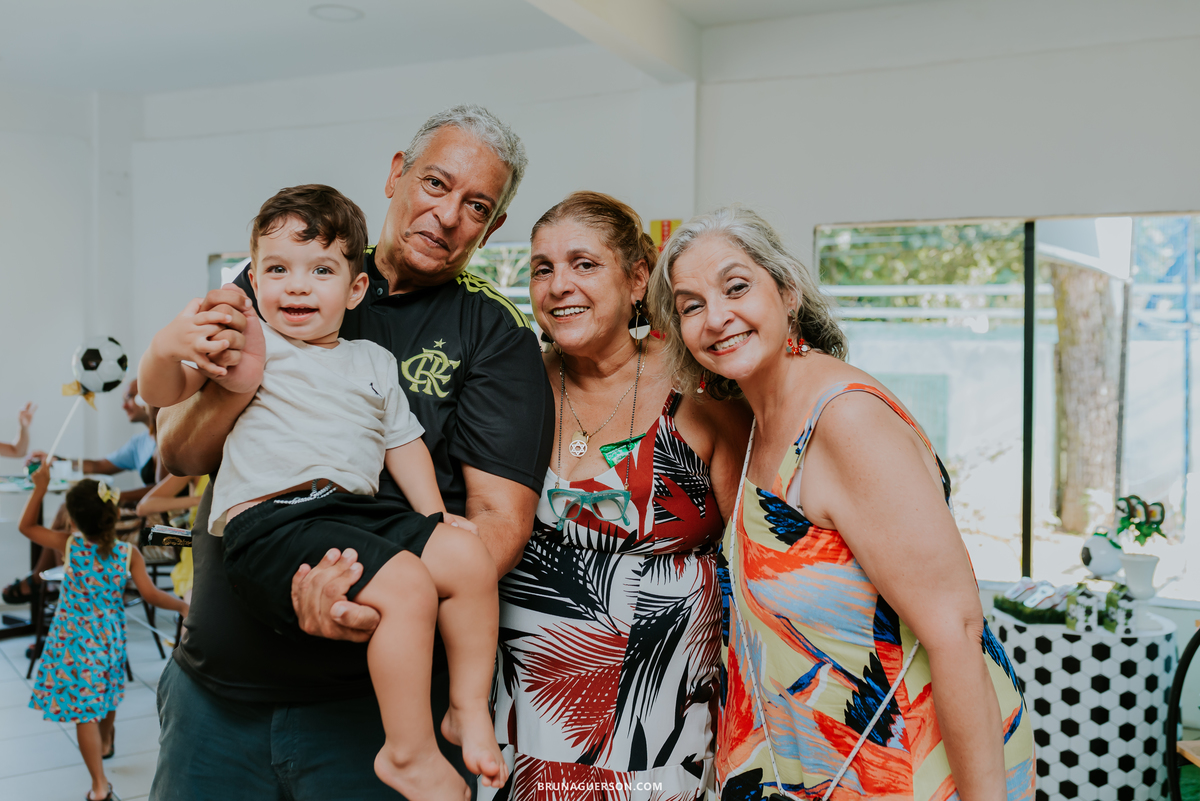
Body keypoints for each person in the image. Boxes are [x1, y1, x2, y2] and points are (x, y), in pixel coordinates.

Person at [148, 105, 553, 801]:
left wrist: (372, 582)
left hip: (364, 714)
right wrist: (240, 377)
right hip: (214, 693)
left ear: (492, 227)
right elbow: (177, 453)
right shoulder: (285, 284)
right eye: (435, 183)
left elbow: (494, 525)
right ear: (397, 174)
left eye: (476, 205)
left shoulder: (495, 335)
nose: (449, 213)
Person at [647, 206, 1035, 800]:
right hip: (806, 767)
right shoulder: (757, 422)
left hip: (907, 767)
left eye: (736, 286)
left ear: (788, 291)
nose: (717, 317)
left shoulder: (844, 419)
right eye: (691, 304)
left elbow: (956, 631)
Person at [485, 192, 750, 799]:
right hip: (522, 715)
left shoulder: (700, 385)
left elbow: (755, 553)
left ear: (637, 280)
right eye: (542, 268)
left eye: (583, 264)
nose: (558, 286)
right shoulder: (512, 382)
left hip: (660, 726)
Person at [19, 462, 188, 801]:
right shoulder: (128, 554)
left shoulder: (69, 545)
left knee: (85, 711)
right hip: (108, 638)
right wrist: (184, 606)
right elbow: (152, 595)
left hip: (73, 641)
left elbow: (27, 527)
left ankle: (99, 787)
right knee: (107, 692)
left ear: (73, 519)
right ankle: (107, 740)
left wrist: (40, 487)